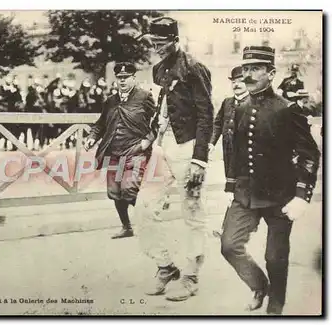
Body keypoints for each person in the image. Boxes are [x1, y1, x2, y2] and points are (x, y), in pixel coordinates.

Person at [220, 46, 320, 315]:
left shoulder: (288, 110)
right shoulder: (239, 108)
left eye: (256, 69)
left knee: (275, 257)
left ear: (272, 73)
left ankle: (275, 306)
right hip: (245, 193)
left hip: (280, 195)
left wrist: (301, 194)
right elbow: (235, 151)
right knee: (229, 245)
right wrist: (230, 185)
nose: (248, 75)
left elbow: (310, 153)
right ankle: (259, 285)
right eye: (245, 69)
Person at [135, 16, 214, 301]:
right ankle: (165, 266)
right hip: (161, 148)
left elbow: (207, 115)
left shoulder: (194, 68)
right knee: (143, 208)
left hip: (188, 147)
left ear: (175, 39)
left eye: (162, 41)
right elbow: (160, 109)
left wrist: (200, 159)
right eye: (153, 41)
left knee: (193, 212)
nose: (156, 46)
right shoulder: (157, 70)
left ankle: (191, 276)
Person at [84, 62, 157, 239]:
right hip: (114, 153)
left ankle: (150, 217)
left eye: (126, 78)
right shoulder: (110, 101)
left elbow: (158, 121)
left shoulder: (144, 97)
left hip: (135, 152)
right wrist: (92, 137)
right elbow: (101, 124)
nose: (122, 81)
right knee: (115, 193)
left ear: (134, 78)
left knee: (129, 189)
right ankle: (127, 227)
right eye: (119, 78)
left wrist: (147, 141)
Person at [209, 66, 250, 235]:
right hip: (228, 153)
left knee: (237, 189)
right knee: (234, 188)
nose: (237, 84)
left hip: (246, 154)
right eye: (234, 81)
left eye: (240, 81)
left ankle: (228, 227)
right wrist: (211, 143)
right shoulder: (227, 102)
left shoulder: (252, 103)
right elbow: (218, 123)